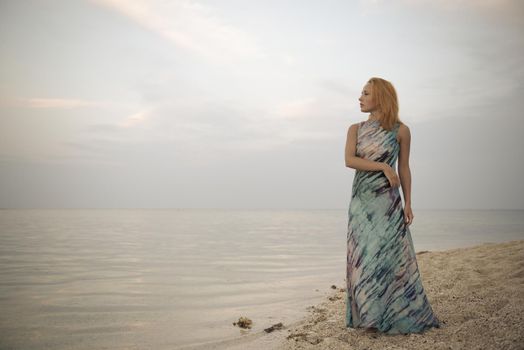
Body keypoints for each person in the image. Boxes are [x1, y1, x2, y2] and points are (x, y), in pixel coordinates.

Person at [344, 77, 441, 335]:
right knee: (362, 261)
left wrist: (409, 202)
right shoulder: (355, 129)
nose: (360, 98)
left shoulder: (401, 130)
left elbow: (405, 168)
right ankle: (368, 318)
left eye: (365, 93)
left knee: (390, 258)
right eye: (361, 93)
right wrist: (383, 166)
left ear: (381, 97)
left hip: (388, 204)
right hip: (362, 206)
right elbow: (350, 160)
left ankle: (392, 315)